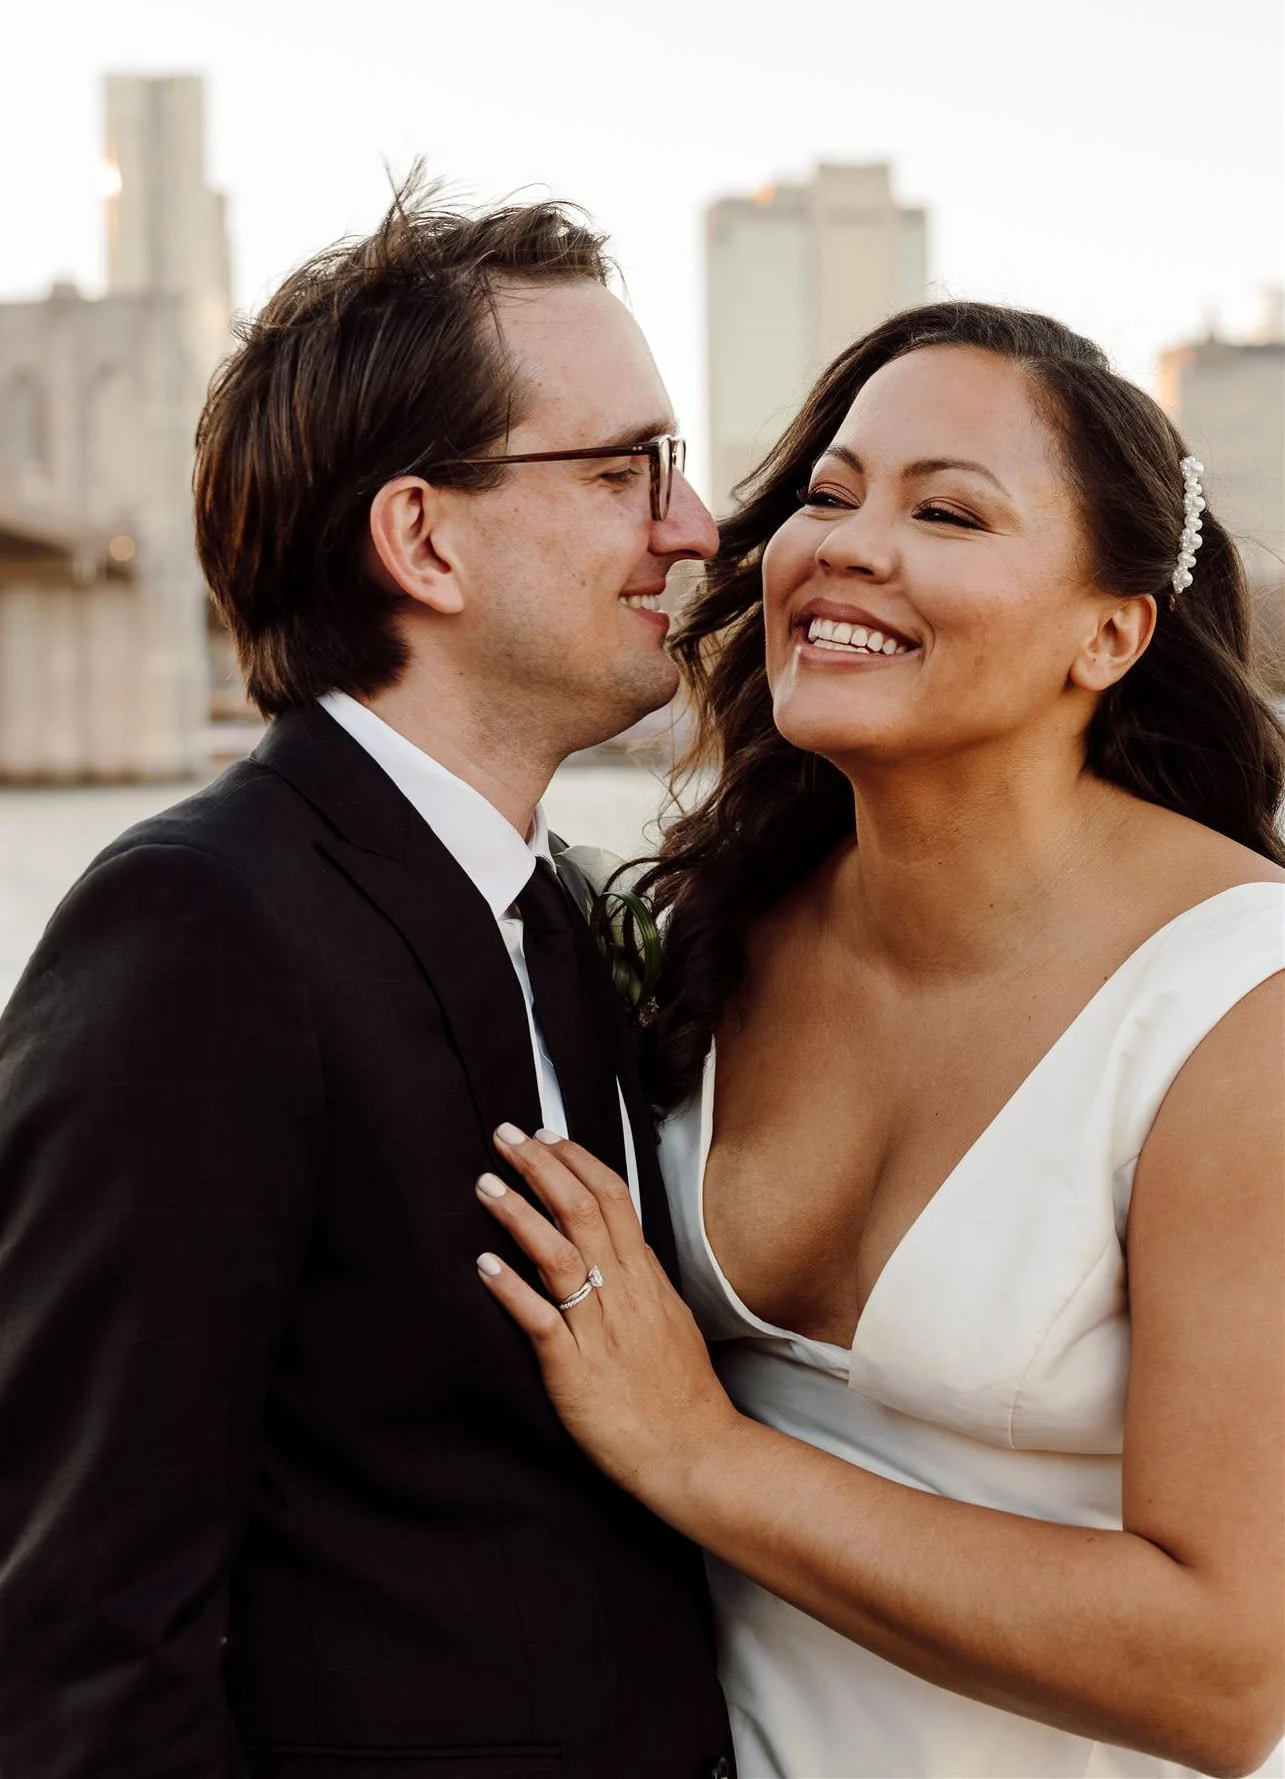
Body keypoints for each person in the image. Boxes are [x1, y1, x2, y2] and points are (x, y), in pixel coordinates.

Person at [0, 185, 736, 1779]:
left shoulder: (572, 914)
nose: (693, 526)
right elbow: (98, 1637)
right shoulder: (193, 940)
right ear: (423, 538)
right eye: (622, 472)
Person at [471, 302, 1285, 1779]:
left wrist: (700, 1456)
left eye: (949, 511)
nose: (847, 542)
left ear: (1110, 634)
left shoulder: (1241, 1008)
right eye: (831, 494)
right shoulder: (725, 928)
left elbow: (1227, 1674)